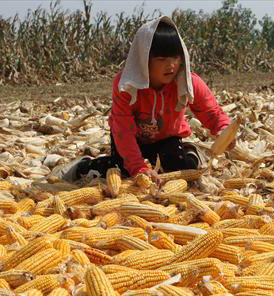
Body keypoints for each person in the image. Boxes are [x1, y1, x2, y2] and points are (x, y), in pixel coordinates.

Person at [59, 16, 235, 183]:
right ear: (144, 60)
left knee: (180, 169)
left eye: (175, 57)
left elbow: (210, 111)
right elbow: (123, 130)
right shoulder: (126, 86)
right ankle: (82, 167)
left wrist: (224, 131)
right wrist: (138, 168)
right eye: (161, 59)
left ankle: (191, 153)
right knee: (122, 171)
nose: (171, 65)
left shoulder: (188, 83)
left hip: (167, 138)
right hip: (130, 139)